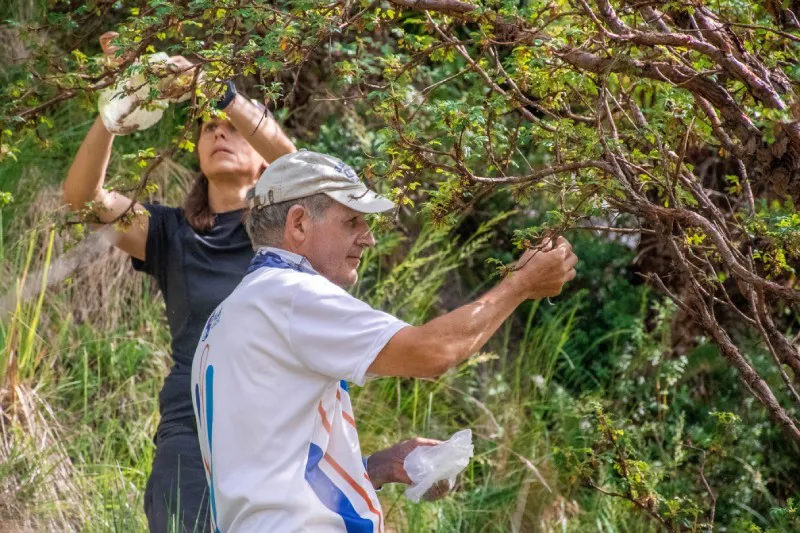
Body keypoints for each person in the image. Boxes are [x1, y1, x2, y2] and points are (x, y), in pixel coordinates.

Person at [191, 151, 578, 532]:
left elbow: (269, 466)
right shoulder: (290, 294)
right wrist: (522, 284)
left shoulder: (231, 313)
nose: (369, 239)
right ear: (298, 224)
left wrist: (379, 467)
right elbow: (432, 352)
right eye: (352, 221)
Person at [62, 36, 297, 533]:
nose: (219, 132)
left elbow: (295, 162)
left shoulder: (290, 225)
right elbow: (84, 199)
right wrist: (112, 114)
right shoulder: (170, 231)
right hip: (192, 434)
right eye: (209, 126)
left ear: (260, 158)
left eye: (233, 128)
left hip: (278, 434)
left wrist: (212, 88)